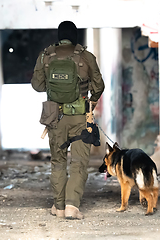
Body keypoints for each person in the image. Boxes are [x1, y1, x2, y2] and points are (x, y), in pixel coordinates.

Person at [31, 21, 105, 219]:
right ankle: (72, 206)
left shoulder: (45, 56)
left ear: (59, 36)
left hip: (55, 117)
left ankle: (59, 207)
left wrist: (52, 84)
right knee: (79, 162)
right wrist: (92, 102)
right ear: (75, 37)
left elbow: (37, 86)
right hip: (81, 117)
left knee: (58, 161)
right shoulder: (86, 57)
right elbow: (99, 86)